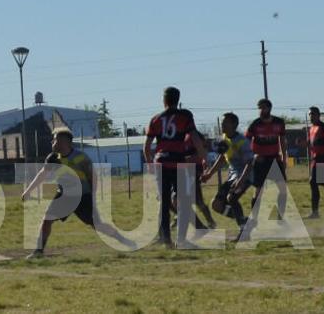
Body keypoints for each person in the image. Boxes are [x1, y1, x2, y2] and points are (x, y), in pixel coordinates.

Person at [22, 129, 136, 258]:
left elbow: (92, 177)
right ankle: (38, 251)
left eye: (54, 139)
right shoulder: (52, 157)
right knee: (47, 220)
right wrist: (28, 191)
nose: (52, 142)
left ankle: (125, 241)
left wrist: (93, 197)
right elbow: (42, 174)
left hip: (83, 196)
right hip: (64, 195)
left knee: (98, 225)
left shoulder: (80, 157)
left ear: (63, 142)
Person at [143, 87, 206, 247]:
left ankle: (166, 240)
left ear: (163, 100)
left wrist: (150, 164)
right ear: (178, 100)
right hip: (178, 163)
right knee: (183, 202)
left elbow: (147, 146)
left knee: (164, 203)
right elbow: (195, 138)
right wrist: (203, 157)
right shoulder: (185, 116)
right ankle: (182, 239)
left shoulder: (155, 119)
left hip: (161, 163)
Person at [201, 112, 252, 228]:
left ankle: (243, 229)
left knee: (232, 198)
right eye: (222, 123)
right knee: (216, 205)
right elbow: (222, 158)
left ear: (234, 125)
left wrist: (240, 181)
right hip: (233, 176)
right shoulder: (224, 138)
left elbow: (249, 164)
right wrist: (209, 174)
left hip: (246, 176)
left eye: (225, 123)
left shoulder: (242, 141)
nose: (222, 125)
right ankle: (244, 221)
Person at [243, 99, 287, 231]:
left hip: (275, 160)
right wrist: (254, 156)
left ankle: (280, 218)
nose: (260, 111)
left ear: (269, 108)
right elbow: (245, 143)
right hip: (260, 162)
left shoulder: (279, 122)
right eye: (259, 108)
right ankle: (254, 220)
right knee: (258, 191)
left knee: (283, 190)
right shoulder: (255, 124)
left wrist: (284, 157)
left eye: (262, 108)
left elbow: (282, 140)